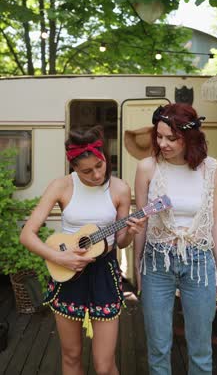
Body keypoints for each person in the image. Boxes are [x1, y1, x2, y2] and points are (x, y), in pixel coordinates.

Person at [20, 126, 146, 375]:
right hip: (66, 272)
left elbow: (120, 243)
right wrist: (59, 257)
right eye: (87, 171)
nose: (97, 174)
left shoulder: (120, 188)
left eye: (100, 165)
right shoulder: (61, 186)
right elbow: (27, 234)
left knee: (104, 364)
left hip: (104, 274)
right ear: (73, 167)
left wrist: (131, 231)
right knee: (71, 356)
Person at [134, 103, 217, 375]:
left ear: (190, 138)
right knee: (159, 347)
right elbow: (141, 221)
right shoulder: (147, 167)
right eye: (159, 136)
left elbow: (213, 219)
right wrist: (137, 265)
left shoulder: (210, 168)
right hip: (156, 263)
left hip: (199, 261)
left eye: (171, 138)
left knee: (200, 349)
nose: (163, 143)